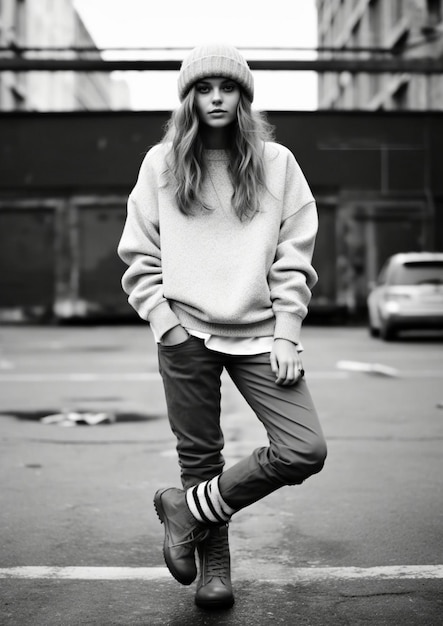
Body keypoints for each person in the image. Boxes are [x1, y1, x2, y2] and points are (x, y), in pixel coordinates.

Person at [118, 43, 327, 610]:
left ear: (244, 97)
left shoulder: (277, 162)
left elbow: (294, 249)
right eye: (204, 89)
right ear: (189, 99)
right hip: (184, 331)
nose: (216, 98)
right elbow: (139, 254)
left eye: (228, 88)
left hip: (260, 331)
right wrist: (165, 322)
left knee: (303, 449)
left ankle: (185, 509)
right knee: (201, 459)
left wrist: (287, 328)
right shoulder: (161, 164)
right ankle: (217, 572)